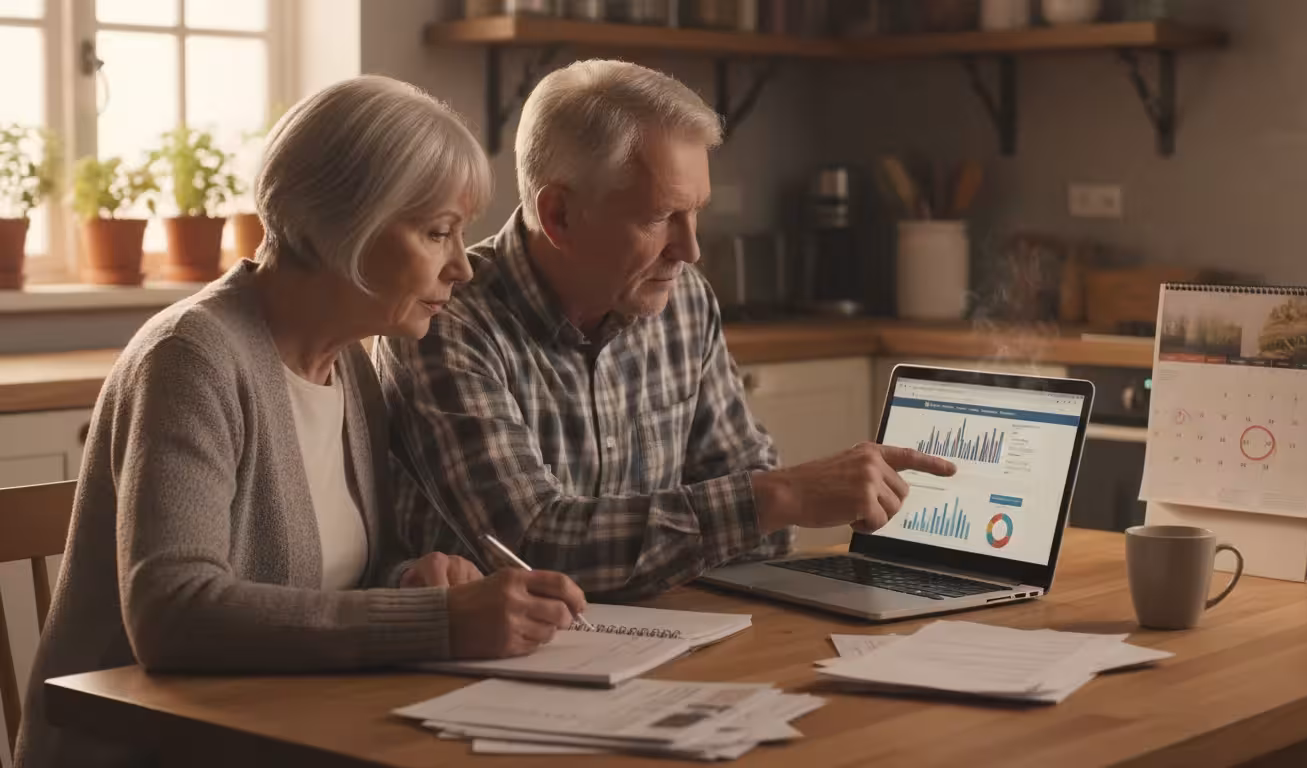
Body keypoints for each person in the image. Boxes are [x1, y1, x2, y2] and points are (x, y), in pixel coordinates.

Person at [15, 75, 586, 768]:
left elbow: (323, 585)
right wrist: (435, 622)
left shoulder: (348, 363)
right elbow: (173, 613)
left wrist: (410, 580)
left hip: (284, 731)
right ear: (341, 224)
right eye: (438, 232)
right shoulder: (192, 358)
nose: (462, 267)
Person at [375, 60, 955, 604]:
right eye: (659, 217)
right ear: (559, 217)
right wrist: (781, 497)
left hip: (667, 639)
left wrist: (768, 505)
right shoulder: (447, 323)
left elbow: (760, 530)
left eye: (696, 211)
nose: (691, 249)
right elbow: (531, 548)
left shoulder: (684, 302)